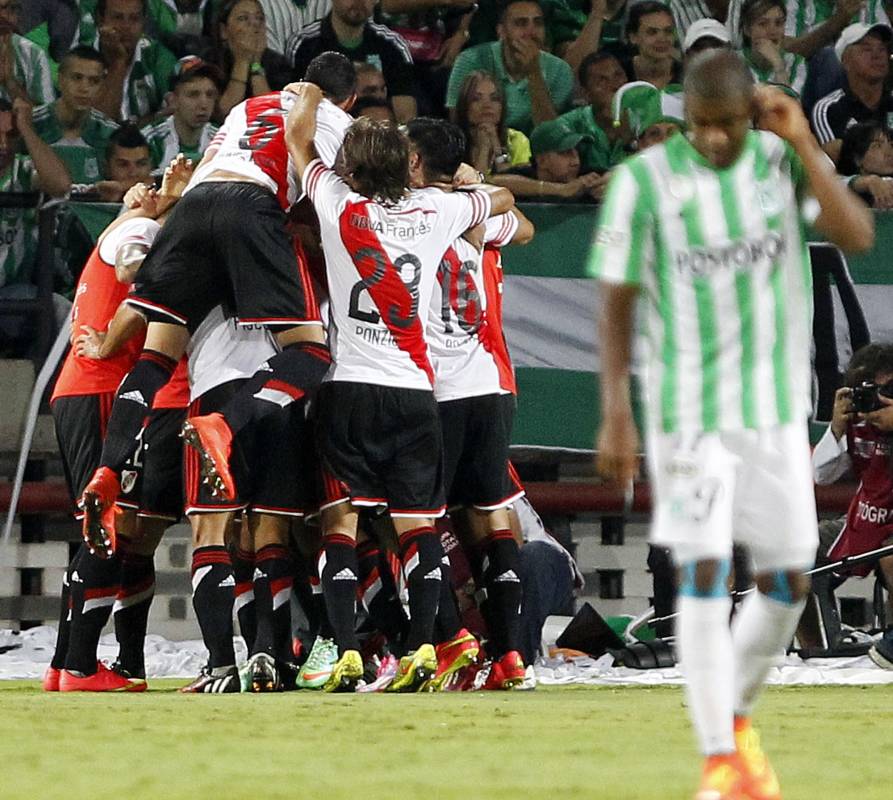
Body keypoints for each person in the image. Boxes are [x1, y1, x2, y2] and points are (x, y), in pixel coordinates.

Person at [590, 49, 873, 799]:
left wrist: (809, 146)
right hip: (687, 414)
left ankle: (734, 722)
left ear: (749, 113)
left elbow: (855, 236)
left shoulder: (779, 165)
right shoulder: (643, 183)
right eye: (701, 124)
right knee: (706, 569)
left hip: (774, 412)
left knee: (784, 578)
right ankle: (718, 754)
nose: (713, 139)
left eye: (726, 124)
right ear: (686, 114)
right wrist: (616, 410)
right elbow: (615, 300)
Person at [76, 55, 353, 579]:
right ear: (351, 99)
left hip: (193, 206)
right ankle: (223, 427)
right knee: (309, 352)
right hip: (253, 208)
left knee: (157, 359)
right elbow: (323, 194)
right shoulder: (335, 119)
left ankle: (108, 471)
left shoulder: (248, 105)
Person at [289, 85, 514, 692]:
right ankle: (421, 647)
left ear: (352, 169)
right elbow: (498, 199)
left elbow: (298, 141)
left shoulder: (338, 203)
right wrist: (469, 182)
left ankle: (344, 649)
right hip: (416, 391)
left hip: (351, 388)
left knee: (340, 521)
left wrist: (309, 96)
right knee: (419, 526)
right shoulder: (439, 211)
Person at [45, 165, 191, 692]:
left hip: (76, 389)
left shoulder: (123, 225)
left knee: (101, 524)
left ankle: (65, 662)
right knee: (112, 525)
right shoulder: (138, 230)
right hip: (105, 387)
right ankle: (81, 665)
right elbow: (135, 270)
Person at [407, 116, 534, 689]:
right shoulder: (473, 214)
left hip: (436, 390)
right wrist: (477, 185)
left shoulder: (410, 215)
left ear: (415, 162)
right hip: (488, 383)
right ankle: (510, 657)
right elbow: (524, 227)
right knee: (491, 518)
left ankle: (448, 638)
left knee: (416, 520)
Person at [812, 343, 893, 671]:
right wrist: (836, 429)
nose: (879, 402)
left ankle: (892, 641)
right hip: (863, 520)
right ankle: (814, 649)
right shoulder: (856, 425)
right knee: (793, 549)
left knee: (891, 554)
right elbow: (821, 474)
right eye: (871, 392)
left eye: (889, 390)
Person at [445, 0, 574, 136]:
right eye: (521, 23)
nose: (531, 32)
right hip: (479, 146)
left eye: (538, 23)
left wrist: (534, 72)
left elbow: (550, 136)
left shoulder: (560, 71)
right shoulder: (470, 60)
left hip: (536, 152)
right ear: (501, 31)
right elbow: (457, 124)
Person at [287, 0, 418, 122]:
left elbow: (405, 116)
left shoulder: (392, 45)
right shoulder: (305, 44)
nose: (359, 2)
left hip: (378, 138)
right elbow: (295, 108)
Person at [0, 98, 71, 290]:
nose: (4, 145)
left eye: (10, 134)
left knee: (57, 309)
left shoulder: (23, 170)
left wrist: (26, 127)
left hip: (12, 293)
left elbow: (61, 185)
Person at [32, 46, 119, 186]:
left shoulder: (111, 134)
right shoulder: (30, 125)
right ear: (60, 80)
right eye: (77, 78)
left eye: (94, 81)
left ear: (102, 86)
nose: (84, 88)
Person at [811, 22, 893, 165]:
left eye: (882, 49)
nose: (877, 55)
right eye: (867, 49)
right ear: (845, 60)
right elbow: (834, 162)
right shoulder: (829, 109)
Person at [91, 0, 179, 124]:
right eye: (117, 17)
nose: (126, 26)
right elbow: (97, 126)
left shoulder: (157, 57)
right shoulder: (82, 59)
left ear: (144, 21)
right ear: (100, 20)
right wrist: (119, 63)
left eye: (134, 18)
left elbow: (174, 113)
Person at [210, 0, 293, 120]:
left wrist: (256, 63)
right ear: (224, 31)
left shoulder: (278, 64)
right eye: (243, 18)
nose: (254, 23)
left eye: (259, 18)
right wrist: (242, 62)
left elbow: (271, 114)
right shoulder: (211, 62)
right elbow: (222, 114)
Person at [140, 56, 222, 173]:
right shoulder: (150, 140)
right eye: (193, 94)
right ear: (173, 100)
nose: (204, 104)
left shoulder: (222, 140)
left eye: (210, 95)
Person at [552, 50, 629, 174]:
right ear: (586, 93)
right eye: (601, 80)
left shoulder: (645, 118)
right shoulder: (568, 125)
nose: (614, 85)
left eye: (618, 75)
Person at [493, 118, 607, 200]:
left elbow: (618, 172)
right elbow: (492, 182)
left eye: (576, 151)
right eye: (565, 153)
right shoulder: (524, 177)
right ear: (542, 161)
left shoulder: (582, 178)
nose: (575, 161)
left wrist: (605, 185)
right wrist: (561, 190)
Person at [453, 70, 531, 177]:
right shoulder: (451, 144)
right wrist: (484, 149)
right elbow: (475, 188)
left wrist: (497, 148)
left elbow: (513, 181)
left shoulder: (517, 140)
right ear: (464, 105)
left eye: (494, 99)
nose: (487, 105)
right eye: (476, 99)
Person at [739, 0, 805, 93]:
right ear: (747, 29)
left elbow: (787, 105)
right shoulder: (733, 62)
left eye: (778, 23)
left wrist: (779, 67)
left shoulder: (796, 63)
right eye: (762, 24)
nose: (772, 31)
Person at [0, 0, 55, 106]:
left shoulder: (34, 54)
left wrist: (10, 81)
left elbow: (46, 117)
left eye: (12, 8)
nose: (4, 15)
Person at [620, 1, 681, 91]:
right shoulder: (620, 75)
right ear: (633, 37)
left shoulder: (687, 75)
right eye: (652, 32)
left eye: (668, 31)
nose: (662, 39)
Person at [837, 122, 893, 209]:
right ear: (857, 159)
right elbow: (840, 183)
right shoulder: (837, 186)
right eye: (877, 146)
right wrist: (869, 181)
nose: (889, 152)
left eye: (890, 144)